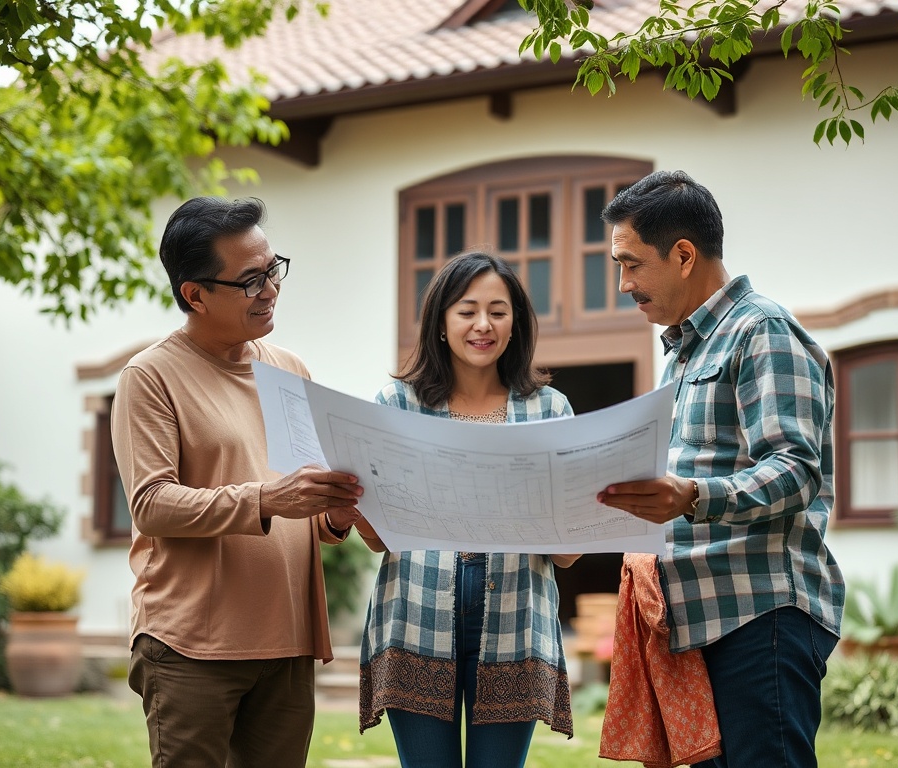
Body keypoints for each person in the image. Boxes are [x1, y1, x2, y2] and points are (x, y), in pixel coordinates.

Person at [596, 171, 845, 768]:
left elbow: (794, 470)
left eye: (630, 264)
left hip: (759, 619)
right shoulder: (684, 352)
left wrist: (690, 496)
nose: (623, 284)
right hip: (698, 623)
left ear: (683, 255)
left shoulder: (762, 331)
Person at [111, 196, 363, 768]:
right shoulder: (149, 377)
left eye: (273, 270)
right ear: (194, 293)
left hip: (288, 638)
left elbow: (307, 500)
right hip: (191, 645)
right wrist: (267, 499)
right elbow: (151, 503)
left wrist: (335, 513)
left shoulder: (289, 368)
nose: (271, 289)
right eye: (250, 280)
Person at [355, 250, 579, 768]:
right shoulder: (396, 405)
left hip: (516, 617)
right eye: (467, 310)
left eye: (499, 312)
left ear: (516, 323)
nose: (483, 325)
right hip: (415, 610)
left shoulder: (552, 410)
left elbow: (567, 555)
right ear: (440, 322)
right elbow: (377, 537)